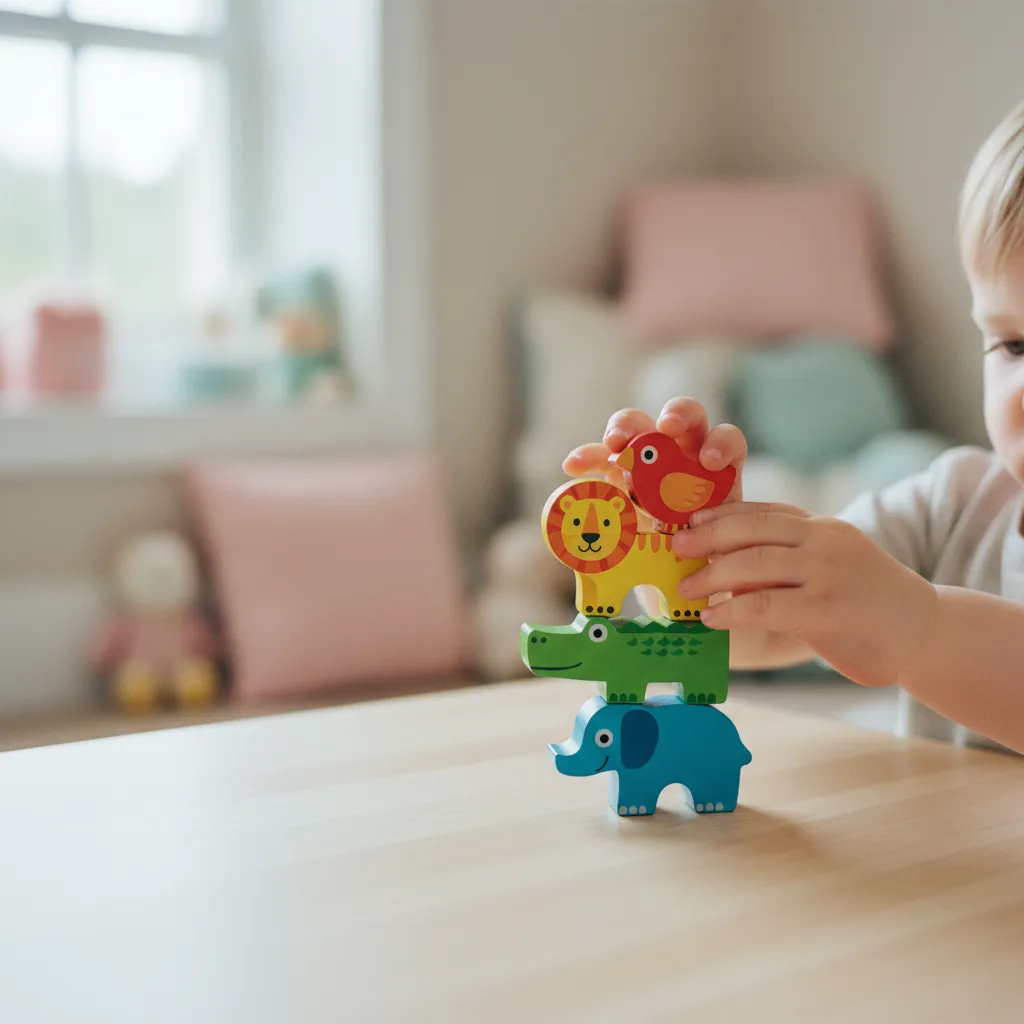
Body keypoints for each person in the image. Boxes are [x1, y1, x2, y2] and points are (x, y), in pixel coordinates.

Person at [564, 99, 1024, 753]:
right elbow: (754, 633)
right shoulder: (949, 507)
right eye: (1014, 346)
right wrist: (683, 548)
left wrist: (918, 629)